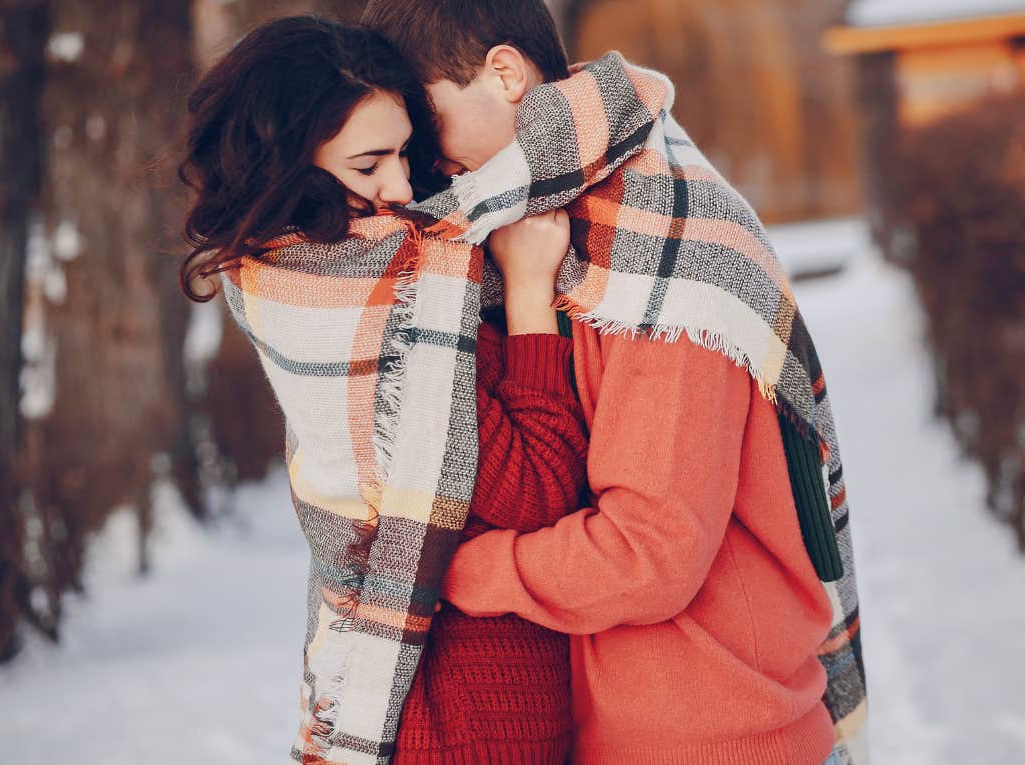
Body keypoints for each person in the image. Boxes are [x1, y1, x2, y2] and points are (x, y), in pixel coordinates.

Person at [363, 2, 870, 763]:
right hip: (633, 729)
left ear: (504, 74)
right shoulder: (550, 228)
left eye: (428, 121)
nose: (422, 167)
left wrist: (453, 568)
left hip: (716, 737)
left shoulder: (659, 244)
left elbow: (649, 552)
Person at [177, 16, 583, 763]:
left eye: (405, 152)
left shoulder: (282, 271)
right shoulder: (396, 305)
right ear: (290, 170)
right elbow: (536, 486)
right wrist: (528, 292)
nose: (400, 186)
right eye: (369, 166)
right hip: (463, 712)